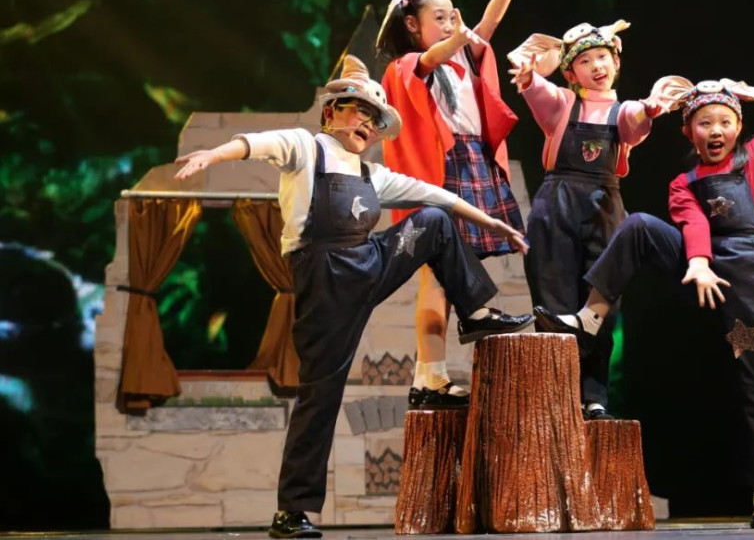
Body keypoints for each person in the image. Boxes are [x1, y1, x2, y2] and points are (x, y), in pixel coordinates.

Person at [535, 41, 754, 528]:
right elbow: (693, 224)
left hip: (752, 284)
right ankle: (590, 315)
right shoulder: (683, 183)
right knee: (638, 226)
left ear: (738, 126)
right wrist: (700, 262)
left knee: (753, 383)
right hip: (701, 276)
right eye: (704, 123)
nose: (716, 130)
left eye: (724, 121)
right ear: (689, 130)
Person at [174, 55, 534, 538]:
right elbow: (253, 144)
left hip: (370, 263)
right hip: (324, 280)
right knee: (320, 396)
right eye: (359, 110)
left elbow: (437, 195)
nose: (368, 122)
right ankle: (291, 512)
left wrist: (491, 222)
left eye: (375, 117)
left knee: (433, 220)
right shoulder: (305, 147)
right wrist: (212, 156)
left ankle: (476, 313)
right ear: (331, 112)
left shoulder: (371, 175)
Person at [375, 0, 553, 409]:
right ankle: (431, 376)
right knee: (436, 276)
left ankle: (428, 377)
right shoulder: (407, 65)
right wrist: (460, 35)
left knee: (448, 273)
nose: (452, 23)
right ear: (411, 25)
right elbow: (431, 59)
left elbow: (486, 26)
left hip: (473, 160)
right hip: (443, 167)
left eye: (453, 15)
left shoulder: (463, 58)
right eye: (441, 17)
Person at [506, 20, 663, 419]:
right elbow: (536, 89)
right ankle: (555, 396)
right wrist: (529, 76)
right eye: (586, 60)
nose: (597, 66)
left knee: (601, 302)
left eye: (603, 57)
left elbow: (634, 122)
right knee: (553, 301)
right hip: (557, 200)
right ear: (571, 73)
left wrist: (650, 108)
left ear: (616, 63)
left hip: (604, 206)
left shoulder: (623, 110)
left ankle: (594, 396)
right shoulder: (563, 103)